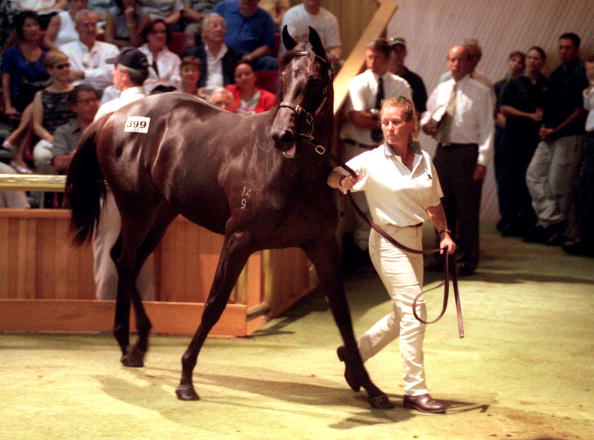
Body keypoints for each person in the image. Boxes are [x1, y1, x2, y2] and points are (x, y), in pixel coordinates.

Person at [328, 96, 455, 414]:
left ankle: (354, 354)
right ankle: (415, 391)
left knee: (403, 316)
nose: (389, 127)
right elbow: (332, 176)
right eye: (384, 122)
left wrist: (445, 233)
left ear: (411, 124)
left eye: (396, 121)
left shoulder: (425, 159)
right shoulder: (370, 160)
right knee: (416, 311)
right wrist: (344, 181)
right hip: (386, 242)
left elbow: (433, 203)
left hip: (415, 241)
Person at [421, 45, 494, 276]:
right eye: (452, 59)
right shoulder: (441, 89)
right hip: (443, 152)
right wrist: (426, 124)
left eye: (461, 59)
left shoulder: (480, 91)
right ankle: (443, 255)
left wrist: (482, 161)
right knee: (442, 205)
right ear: (448, 62)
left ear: (469, 62)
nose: (456, 64)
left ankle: (467, 258)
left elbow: (487, 129)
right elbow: (428, 114)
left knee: (467, 209)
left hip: (467, 153)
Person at [339, 38, 412, 256]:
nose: (371, 61)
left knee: (383, 199)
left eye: (376, 57)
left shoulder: (400, 85)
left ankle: (381, 249)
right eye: (368, 56)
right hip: (358, 147)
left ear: (388, 58)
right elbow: (356, 117)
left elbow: (406, 118)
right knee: (360, 200)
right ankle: (363, 249)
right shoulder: (359, 82)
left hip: (385, 150)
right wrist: (389, 118)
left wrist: (376, 115)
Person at [92, 47, 154, 300]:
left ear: (124, 75)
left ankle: (107, 317)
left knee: (108, 250)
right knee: (142, 254)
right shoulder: (161, 107)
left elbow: (92, 155)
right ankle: (144, 314)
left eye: (115, 69)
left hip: (112, 190)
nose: (113, 73)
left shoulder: (110, 109)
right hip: (150, 193)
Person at [524, 33, 588, 245]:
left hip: (569, 136)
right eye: (560, 47)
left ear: (576, 50)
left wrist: (556, 130)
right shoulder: (555, 74)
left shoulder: (581, 73)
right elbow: (546, 105)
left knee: (559, 185)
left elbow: (580, 110)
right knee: (533, 175)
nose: (563, 51)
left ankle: (562, 232)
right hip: (548, 135)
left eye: (567, 48)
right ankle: (552, 221)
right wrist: (544, 128)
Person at [498, 47, 546, 237]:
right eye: (531, 58)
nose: (533, 61)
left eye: (537, 58)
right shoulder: (515, 83)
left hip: (535, 139)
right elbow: (504, 108)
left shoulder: (545, 83)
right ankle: (510, 222)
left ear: (542, 62)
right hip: (513, 137)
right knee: (511, 179)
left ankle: (528, 221)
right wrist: (528, 115)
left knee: (530, 180)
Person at [563, 54, 594, 257]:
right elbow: (588, 106)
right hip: (590, 138)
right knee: (584, 188)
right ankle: (585, 237)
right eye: (587, 69)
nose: (588, 73)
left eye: (591, 69)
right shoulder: (589, 89)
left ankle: (587, 240)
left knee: (586, 188)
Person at [493, 50, 526, 234]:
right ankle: (506, 217)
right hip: (501, 136)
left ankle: (518, 219)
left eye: (520, 62)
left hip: (521, 138)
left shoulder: (526, 86)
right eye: (513, 60)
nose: (516, 64)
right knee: (503, 178)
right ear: (508, 62)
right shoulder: (498, 86)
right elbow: (494, 111)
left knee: (518, 178)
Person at [30, 50, 76, 175]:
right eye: (60, 67)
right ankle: (44, 194)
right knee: (41, 156)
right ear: (50, 70)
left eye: (67, 65)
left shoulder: (77, 92)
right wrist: (53, 140)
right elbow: (37, 125)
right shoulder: (41, 95)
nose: (65, 69)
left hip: (76, 138)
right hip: (51, 139)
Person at [1, 11, 51, 118]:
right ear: (21, 29)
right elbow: (5, 81)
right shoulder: (12, 52)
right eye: (28, 26)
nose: (33, 29)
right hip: (19, 98)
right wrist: (8, 106)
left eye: (35, 25)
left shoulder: (45, 55)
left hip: (41, 99)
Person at [59, 9, 120, 92]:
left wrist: (83, 74)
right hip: (77, 95)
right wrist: (100, 77)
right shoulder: (65, 50)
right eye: (86, 25)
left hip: (106, 94)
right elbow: (70, 78)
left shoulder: (110, 49)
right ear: (76, 29)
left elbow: (113, 76)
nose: (91, 29)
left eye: (93, 25)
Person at [184, 13, 243, 94]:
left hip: (226, 97)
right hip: (200, 96)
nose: (219, 29)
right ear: (204, 32)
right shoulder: (193, 54)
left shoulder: (236, 56)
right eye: (215, 26)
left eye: (222, 27)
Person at [212, 0, 278, 71]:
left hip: (250, 57)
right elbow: (208, 29)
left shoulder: (266, 18)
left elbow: (267, 46)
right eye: (244, 2)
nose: (247, 4)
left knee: (273, 63)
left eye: (251, 2)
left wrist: (249, 57)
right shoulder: (222, 7)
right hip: (222, 54)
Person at [51, 84, 100, 174]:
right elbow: (59, 163)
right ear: (74, 107)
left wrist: (74, 156)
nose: (92, 104)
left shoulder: (106, 128)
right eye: (86, 101)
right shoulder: (63, 132)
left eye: (94, 100)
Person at [279, 0, 341, 67]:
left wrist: (335, 54)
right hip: (293, 64)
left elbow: (335, 46)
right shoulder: (291, 15)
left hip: (321, 65)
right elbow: (290, 46)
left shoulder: (330, 19)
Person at [138, 18, 182, 92]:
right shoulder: (137, 55)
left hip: (167, 96)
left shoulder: (174, 58)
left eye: (163, 32)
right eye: (154, 32)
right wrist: (161, 82)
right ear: (147, 35)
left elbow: (176, 82)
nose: (159, 35)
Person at [388, 36, 427, 116]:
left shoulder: (415, 80)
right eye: (395, 51)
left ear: (405, 53)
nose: (398, 55)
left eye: (401, 51)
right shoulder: (383, 79)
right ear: (388, 54)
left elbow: (422, 110)